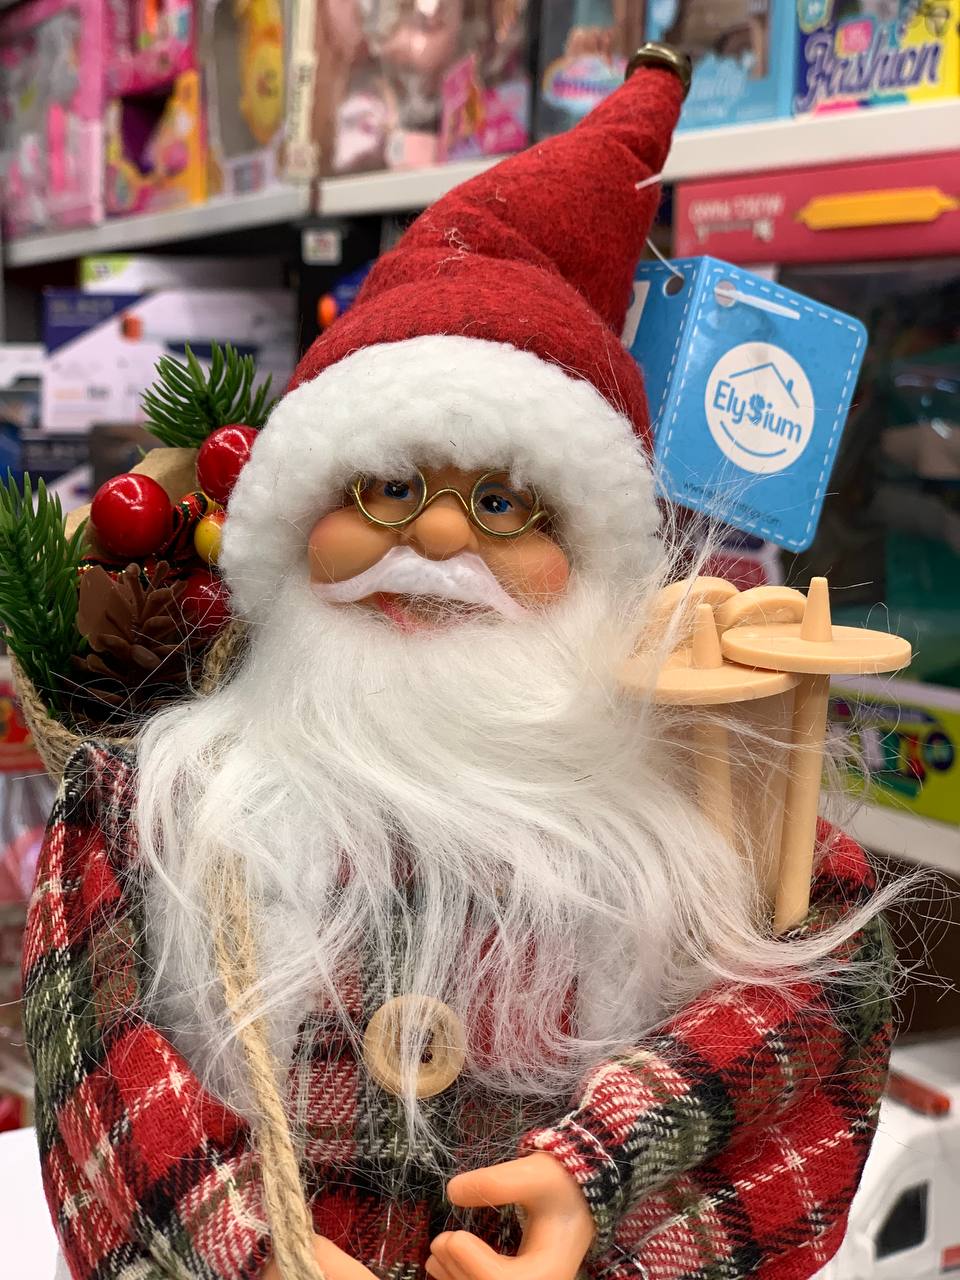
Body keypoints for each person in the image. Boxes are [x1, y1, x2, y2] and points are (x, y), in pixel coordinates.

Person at [25, 46, 893, 1280]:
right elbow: (102, 1102)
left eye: (501, 504)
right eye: (385, 488)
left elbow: (818, 1022)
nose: (433, 539)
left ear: (588, 562)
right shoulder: (143, 812)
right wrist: (246, 1256)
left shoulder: (709, 812)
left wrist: (603, 1171)